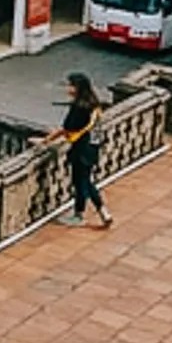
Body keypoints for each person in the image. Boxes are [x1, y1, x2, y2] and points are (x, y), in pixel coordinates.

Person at [48, 73, 112, 228]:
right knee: (85, 180)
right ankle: (99, 212)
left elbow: (68, 128)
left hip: (81, 149)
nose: (68, 88)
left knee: (81, 182)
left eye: (70, 85)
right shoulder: (93, 104)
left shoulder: (79, 107)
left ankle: (85, 213)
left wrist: (47, 139)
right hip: (93, 146)